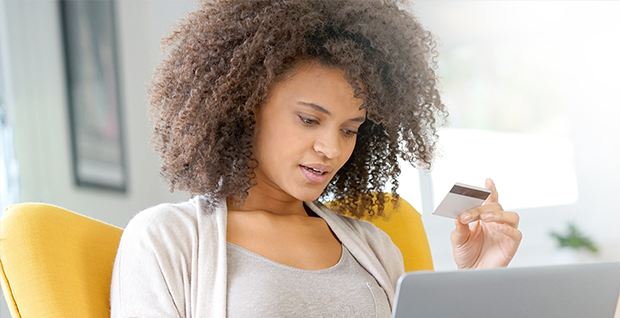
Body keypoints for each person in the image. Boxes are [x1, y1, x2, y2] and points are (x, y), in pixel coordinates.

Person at [110, 0, 522, 317]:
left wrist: (477, 281)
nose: (332, 148)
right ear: (247, 105)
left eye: (349, 129)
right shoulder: (166, 238)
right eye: (309, 119)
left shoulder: (376, 248)